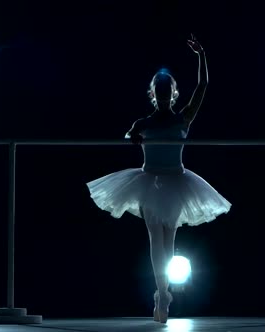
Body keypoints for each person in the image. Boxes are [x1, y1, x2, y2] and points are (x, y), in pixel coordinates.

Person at [86, 35, 231, 323]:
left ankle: (162, 294)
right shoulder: (151, 123)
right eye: (161, 89)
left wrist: (202, 56)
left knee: (163, 240)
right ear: (156, 93)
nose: (164, 92)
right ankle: (162, 294)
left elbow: (203, 86)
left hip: (171, 181)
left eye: (166, 89)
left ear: (169, 93)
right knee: (160, 240)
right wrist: (131, 137)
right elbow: (128, 136)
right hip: (154, 182)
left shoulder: (179, 119)